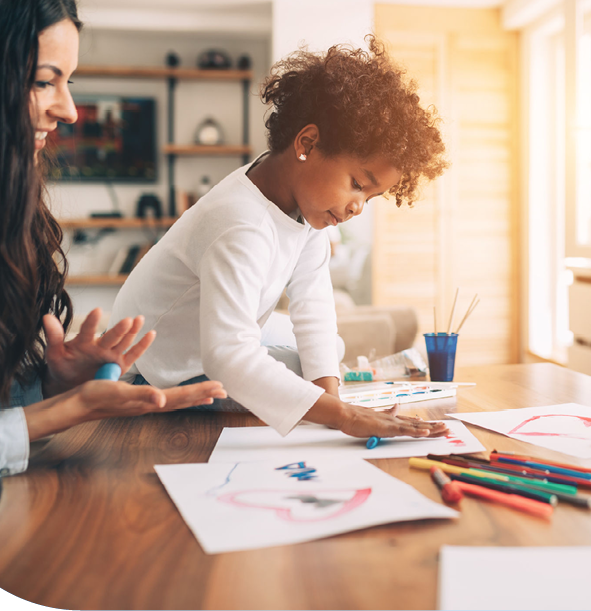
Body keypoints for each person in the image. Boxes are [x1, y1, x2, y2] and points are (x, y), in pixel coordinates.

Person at [0, 0, 227, 543]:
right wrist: (57, 414)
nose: (68, 109)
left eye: (70, 82)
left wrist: (51, 386)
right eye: (45, 81)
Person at [110, 38, 450, 440]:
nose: (358, 206)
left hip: (196, 346)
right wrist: (343, 416)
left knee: (326, 352)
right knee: (293, 377)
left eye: (370, 197)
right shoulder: (239, 222)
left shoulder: (300, 204)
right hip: (154, 371)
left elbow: (315, 309)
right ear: (306, 144)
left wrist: (334, 408)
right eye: (358, 184)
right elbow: (228, 356)